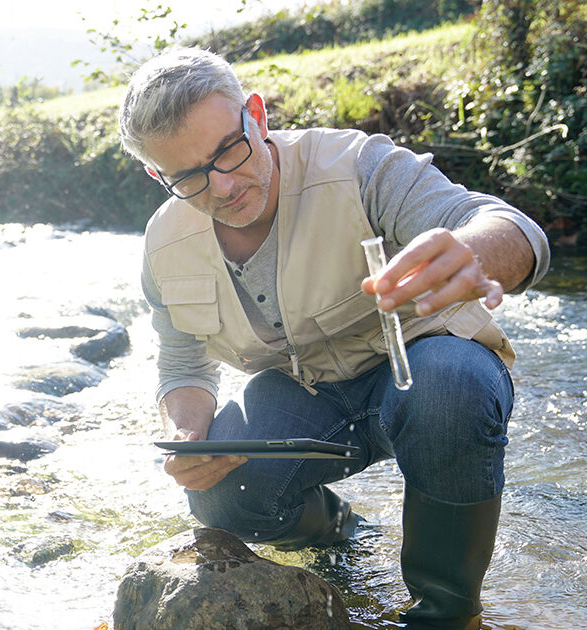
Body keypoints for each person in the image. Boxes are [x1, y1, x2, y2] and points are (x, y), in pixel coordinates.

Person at [119, 47, 550, 630]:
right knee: (221, 493)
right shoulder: (163, 245)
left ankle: (447, 614)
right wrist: (186, 430)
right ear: (157, 175)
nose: (221, 186)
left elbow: (511, 228)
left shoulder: (357, 165)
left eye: (228, 150)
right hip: (308, 393)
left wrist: (472, 253)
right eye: (189, 177)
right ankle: (338, 532)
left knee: (450, 388)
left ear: (257, 114)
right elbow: (182, 364)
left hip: (422, 365)